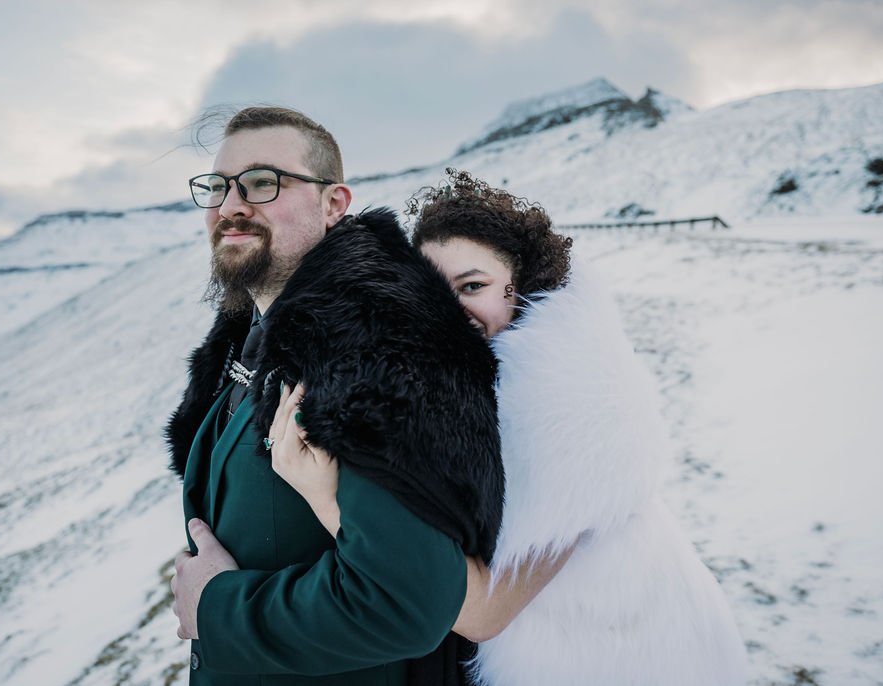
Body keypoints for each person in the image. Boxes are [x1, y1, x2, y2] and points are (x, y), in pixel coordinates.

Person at [271, 170, 750, 685]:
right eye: (433, 292)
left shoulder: (574, 411)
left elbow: (483, 611)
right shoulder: (468, 391)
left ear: (525, 290)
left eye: (473, 286)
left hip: (633, 658)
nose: (449, 312)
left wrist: (328, 501)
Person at [165, 111, 504, 686]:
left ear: (333, 204)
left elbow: (403, 603)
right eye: (218, 186)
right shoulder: (255, 340)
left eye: (262, 182)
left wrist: (219, 608)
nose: (231, 206)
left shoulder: (375, 349)